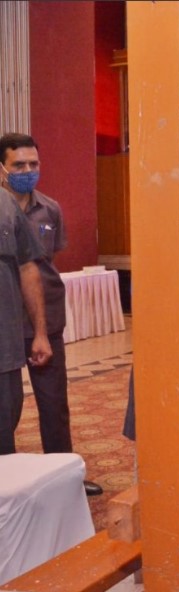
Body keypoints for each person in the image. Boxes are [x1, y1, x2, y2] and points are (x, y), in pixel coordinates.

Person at [0, 133, 102, 496]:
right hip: (6, 321)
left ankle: (65, 478)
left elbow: (44, 263)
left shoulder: (50, 209)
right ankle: (11, 482)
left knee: (54, 402)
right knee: (7, 405)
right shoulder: (3, 208)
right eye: (19, 165)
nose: (28, 171)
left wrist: (42, 326)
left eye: (34, 164)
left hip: (45, 318)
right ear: (2, 169)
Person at [0, 189, 51, 455]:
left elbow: (27, 267)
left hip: (5, 353)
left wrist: (40, 332)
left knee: (4, 437)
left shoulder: (5, 202)